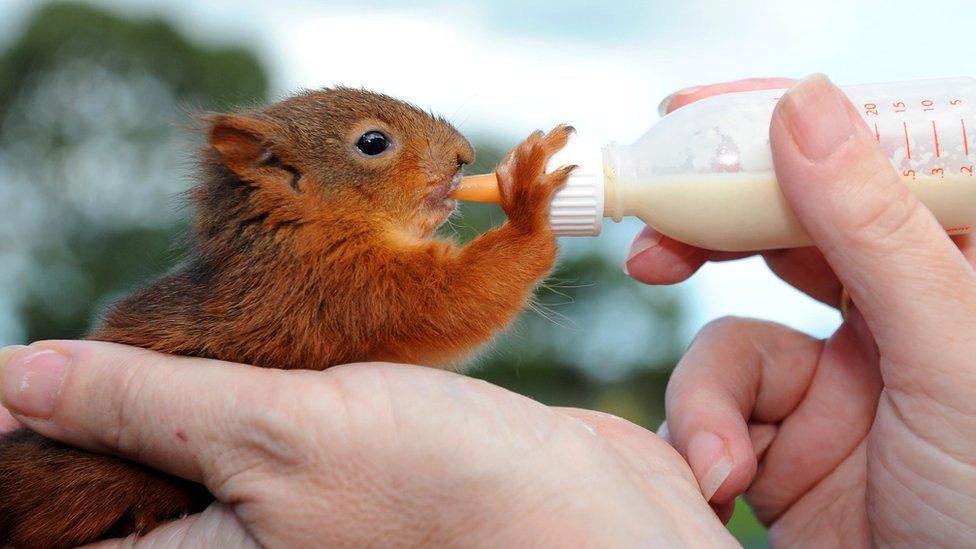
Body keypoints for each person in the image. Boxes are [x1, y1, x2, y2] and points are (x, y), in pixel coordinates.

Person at [1, 74, 973, 546]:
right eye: (381, 148)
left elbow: (433, 311)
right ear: (274, 173)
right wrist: (530, 225)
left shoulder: (345, 264)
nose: (452, 158)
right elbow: (441, 309)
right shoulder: (316, 267)